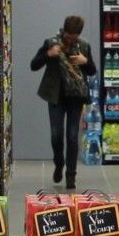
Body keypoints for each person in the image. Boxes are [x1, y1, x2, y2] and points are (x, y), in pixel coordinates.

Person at [30, 15, 96, 189]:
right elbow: (34, 65)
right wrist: (48, 55)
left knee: (73, 136)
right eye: (68, 36)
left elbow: (92, 71)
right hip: (56, 96)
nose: (70, 40)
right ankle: (59, 163)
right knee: (56, 134)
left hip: (76, 97)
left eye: (74, 37)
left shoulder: (83, 46)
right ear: (64, 31)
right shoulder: (51, 43)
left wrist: (85, 61)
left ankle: (71, 175)